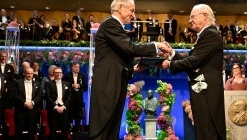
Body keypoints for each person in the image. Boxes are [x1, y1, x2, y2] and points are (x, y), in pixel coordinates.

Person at [88, 0, 170, 139]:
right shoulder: (110, 23)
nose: (133, 15)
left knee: (111, 128)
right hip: (107, 85)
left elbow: (117, 57)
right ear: (120, 8)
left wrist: (133, 68)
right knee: (104, 128)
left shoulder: (115, 26)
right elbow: (129, 48)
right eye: (131, 10)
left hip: (114, 84)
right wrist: (156, 45)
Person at [161, 4, 226, 139]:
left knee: (208, 132)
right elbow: (193, 60)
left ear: (205, 16)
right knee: (203, 131)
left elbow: (193, 62)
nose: (190, 20)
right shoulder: (205, 35)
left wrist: (170, 64)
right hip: (202, 94)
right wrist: (172, 53)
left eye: (192, 17)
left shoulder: (210, 35)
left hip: (207, 95)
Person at [11, 67, 43, 140]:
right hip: (20, 110)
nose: (30, 75)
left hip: (32, 110)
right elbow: (14, 95)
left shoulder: (37, 83)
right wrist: (24, 103)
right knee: (18, 130)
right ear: (24, 73)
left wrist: (32, 102)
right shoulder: (17, 82)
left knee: (31, 130)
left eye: (31, 73)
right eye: (28, 73)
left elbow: (40, 95)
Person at [45, 67, 72, 140]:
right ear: (53, 74)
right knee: (53, 131)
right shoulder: (48, 84)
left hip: (64, 110)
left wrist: (63, 107)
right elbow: (48, 96)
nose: (59, 74)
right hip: (53, 110)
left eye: (60, 72)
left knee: (64, 131)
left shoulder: (67, 84)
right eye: (57, 72)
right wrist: (56, 107)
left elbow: (69, 97)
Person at [63, 62, 87, 133]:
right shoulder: (67, 76)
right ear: (72, 67)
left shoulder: (82, 76)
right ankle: (69, 130)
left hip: (79, 99)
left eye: (78, 67)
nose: (77, 68)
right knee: (70, 115)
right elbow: (64, 86)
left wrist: (79, 86)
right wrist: (72, 85)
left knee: (78, 115)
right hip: (70, 99)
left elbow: (85, 87)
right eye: (76, 67)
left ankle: (77, 130)